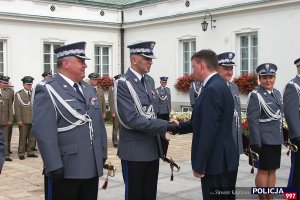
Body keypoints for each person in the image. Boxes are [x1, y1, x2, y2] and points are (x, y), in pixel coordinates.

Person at [32, 41, 108, 200]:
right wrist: (53, 165)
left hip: (91, 165)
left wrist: (102, 153)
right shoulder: (48, 89)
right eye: (81, 61)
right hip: (66, 168)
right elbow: (43, 132)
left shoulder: (87, 88)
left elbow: (97, 124)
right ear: (65, 63)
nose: (85, 66)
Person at [168, 49, 239, 200]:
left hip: (215, 162)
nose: (193, 72)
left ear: (202, 65)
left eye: (193, 67)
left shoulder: (212, 89)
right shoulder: (219, 85)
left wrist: (200, 165)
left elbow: (209, 131)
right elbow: (204, 121)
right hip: (223, 158)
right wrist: (178, 126)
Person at [114, 41, 175, 200]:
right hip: (134, 151)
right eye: (146, 58)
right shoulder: (123, 83)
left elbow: (151, 112)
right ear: (134, 60)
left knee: (149, 195)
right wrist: (165, 125)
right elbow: (131, 120)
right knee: (135, 195)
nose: (150, 62)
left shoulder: (149, 81)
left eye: (151, 58)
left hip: (152, 148)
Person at [247, 63, 283, 200]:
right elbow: (253, 120)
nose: (268, 81)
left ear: (275, 77)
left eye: (271, 77)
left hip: (276, 139)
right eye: (264, 77)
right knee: (263, 171)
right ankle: (263, 198)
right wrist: (255, 141)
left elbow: (279, 116)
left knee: (273, 170)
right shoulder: (256, 95)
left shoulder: (277, 93)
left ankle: (270, 197)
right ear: (259, 79)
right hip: (263, 140)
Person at [217, 52, 243, 195]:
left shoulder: (234, 87)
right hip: (221, 146)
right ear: (217, 68)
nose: (229, 71)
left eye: (231, 68)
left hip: (234, 143)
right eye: (226, 68)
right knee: (221, 185)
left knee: (231, 184)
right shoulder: (213, 88)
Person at [284, 57, 300, 191]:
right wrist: (297, 137)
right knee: (296, 174)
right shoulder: (293, 86)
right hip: (299, 139)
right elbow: (290, 113)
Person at [14, 76, 38, 160]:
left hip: (33, 119)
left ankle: (30, 152)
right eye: (28, 84)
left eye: (30, 84)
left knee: (32, 137)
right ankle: (21, 152)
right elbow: (17, 108)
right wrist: (19, 119)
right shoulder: (19, 94)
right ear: (23, 84)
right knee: (22, 137)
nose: (29, 86)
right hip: (23, 120)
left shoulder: (33, 93)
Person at [0, 76, 13, 161]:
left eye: (6, 83)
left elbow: (10, 107)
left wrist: (10, 119)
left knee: (5, 138)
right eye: (4, 83)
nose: (5, 84)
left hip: (4, 119)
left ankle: (5, 154)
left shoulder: (8, 93)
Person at [108, 74, 121, 148]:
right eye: (117, 80)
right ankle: (115, 141)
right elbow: (110, 100)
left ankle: (121, 140)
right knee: (115, 127)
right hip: (115, 111)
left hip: (121, 111)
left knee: (122, 127)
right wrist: (112, 111)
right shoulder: (111, 88)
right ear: (115, 80)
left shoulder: (121, 88)